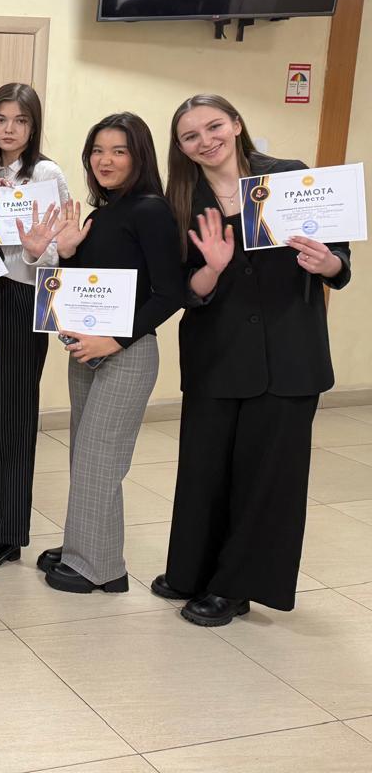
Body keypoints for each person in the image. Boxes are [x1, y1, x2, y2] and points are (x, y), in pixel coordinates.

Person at [155, 95, 352, 625]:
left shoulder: (289, 177)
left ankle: (234, 587)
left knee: (266, 479)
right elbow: (183, 289)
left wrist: (327, 263)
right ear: (181, 147)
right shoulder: (178, 200)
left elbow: (340, 260)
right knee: (204, 472)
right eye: (191, 135)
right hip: (216, 354)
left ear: (237, 124)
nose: (206, 140)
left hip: (288, 355)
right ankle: (192, 571)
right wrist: (212, 269)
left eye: (214, 126)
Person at [38, 113, 183, 593]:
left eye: (118, 151)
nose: (105, 160)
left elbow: (170, 293)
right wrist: (67, 252)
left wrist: (115, 340)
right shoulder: (101, 213)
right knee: (86, 456)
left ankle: (100, 570)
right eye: (98, 150)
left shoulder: (151, 210)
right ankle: (84, 545)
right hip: (87, 353)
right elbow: (82, 288)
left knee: (101, 459)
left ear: (139, 156)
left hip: (128, 353)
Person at [0, 84, 72, 570]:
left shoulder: (45, 173)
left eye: (20, 121)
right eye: (1, 120)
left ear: (33, 126)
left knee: (12, 415)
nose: (9, 129)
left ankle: (6, 533)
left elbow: (59, 249)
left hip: (23, 298)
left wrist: (34, 249)